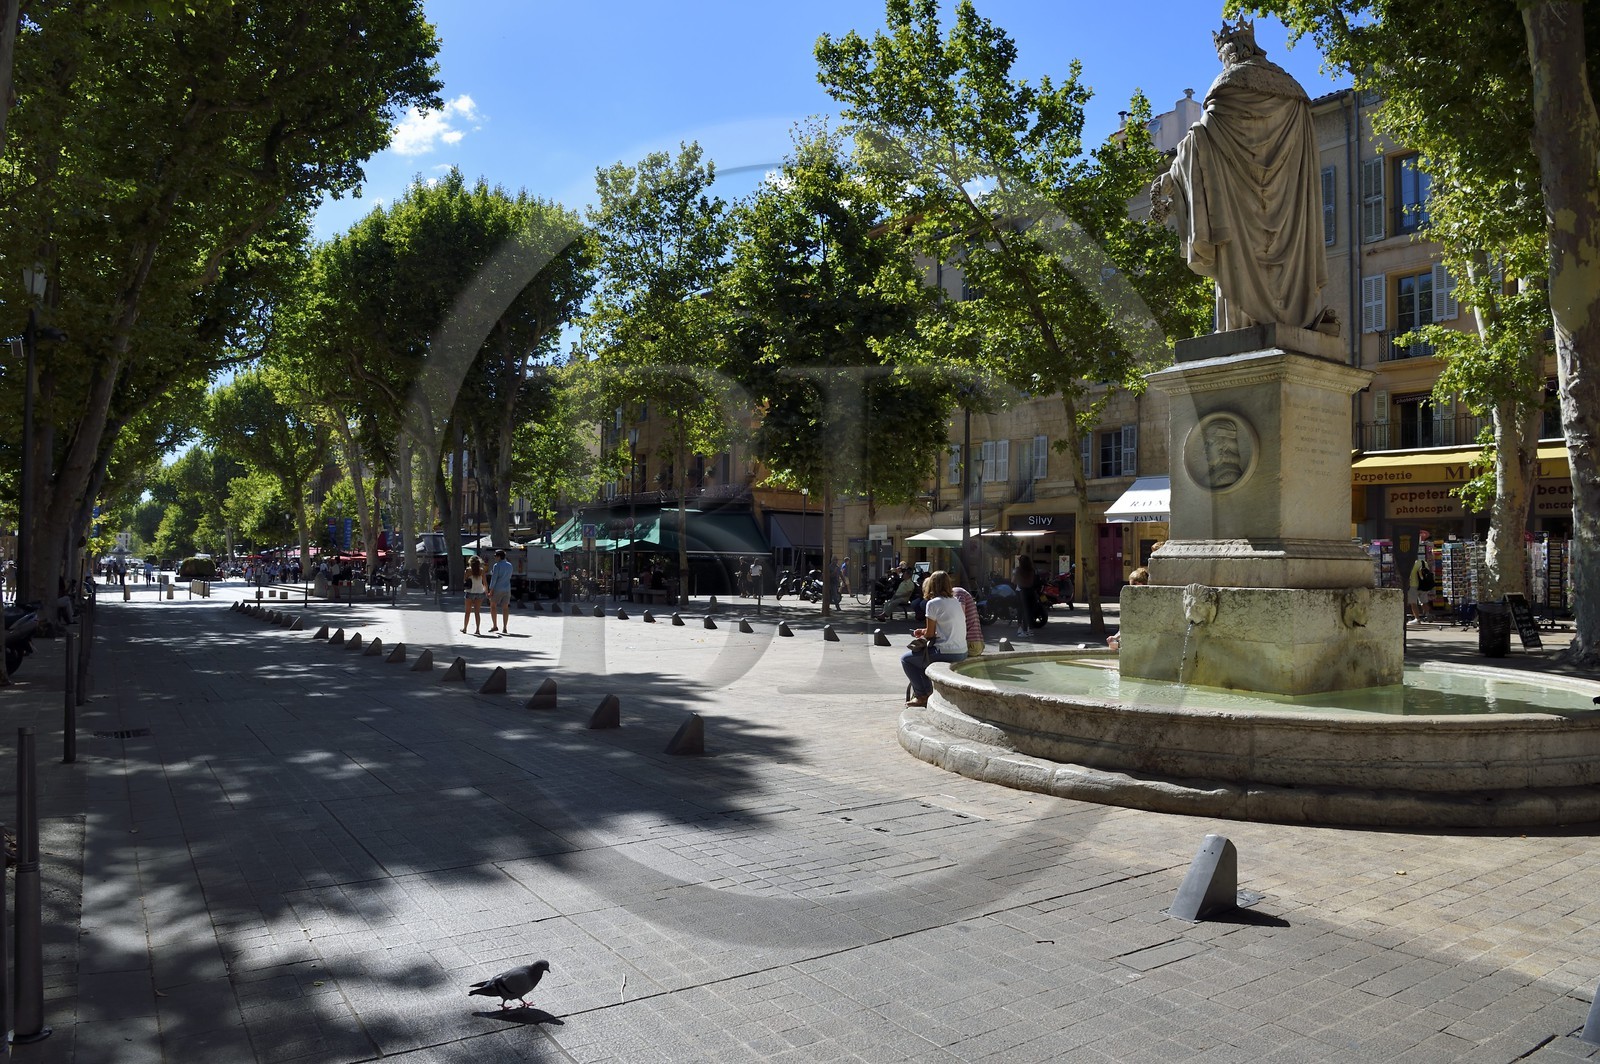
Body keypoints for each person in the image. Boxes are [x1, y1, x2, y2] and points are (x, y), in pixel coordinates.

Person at [1148, 18, 1333, 333]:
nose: (1223, 63)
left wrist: (1170, 176)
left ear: (1230, 53)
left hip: (1239, 212)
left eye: (1222, 57)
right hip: (1289, 216)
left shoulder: (1229, 86)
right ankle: (1293, 318)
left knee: (1237, 293)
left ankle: (1243, 324)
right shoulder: (1294, 96)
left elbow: (1201, 140)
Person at [901, 570, 969, 708]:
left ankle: (922, 695)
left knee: (907, 660)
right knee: (920, 660)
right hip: (962, 651)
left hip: (946, 651)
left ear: (931, 585)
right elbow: (946, 627)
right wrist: (925, 631)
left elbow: (930, 635)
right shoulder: (955, 601)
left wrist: (923, 634)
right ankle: (928, 693)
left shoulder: (933, 604)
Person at [1106, 567, 1150, 651]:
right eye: (1131, 585)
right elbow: (1126, 624)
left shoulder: (1148, 602)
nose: (1132, 589)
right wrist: (1115, 637)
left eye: (1134, 584)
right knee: (1112, 645)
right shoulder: (1132, 601)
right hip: (1133, 639)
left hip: (1143, 640)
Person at [953, 583, 985, 658]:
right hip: (976, 642)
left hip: (971, 643)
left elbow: (960, 617)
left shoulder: (957, 593)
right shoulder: (959, 592)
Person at [488, 549, 514, 634]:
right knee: (505, 608)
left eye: (495, 556)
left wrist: (491, 590)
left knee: (493, 606)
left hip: (497, 588)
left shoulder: (497, 565)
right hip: (507, 588)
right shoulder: (510, 565)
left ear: (499, 557)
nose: (495, 557)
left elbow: (494, 578)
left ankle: (495, 625)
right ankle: (505, 627)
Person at [462, 556, 488, 635]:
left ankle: (465, 628)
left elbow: (464, 581)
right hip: (479, 592)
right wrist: (487, 592)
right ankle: (477, 630)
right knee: (477, 612)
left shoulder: (468, 570)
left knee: (467, 612)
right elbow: (485, 583)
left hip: (470, 592)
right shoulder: (481, 570)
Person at [1012, 553, 1037, 638]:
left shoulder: (1018, 570)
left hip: (1021, 591)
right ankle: (1028, 629)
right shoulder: (1031, 570)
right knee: (1029, 611)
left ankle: (1020, 629)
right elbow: (1032, 581)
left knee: (1021, 610)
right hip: (1030, 591)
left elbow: (1013, 581)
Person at [1408, 548, 1433, 624]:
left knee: (1413, 603)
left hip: (1413, 585)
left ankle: (1417, 619)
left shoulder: (1410, 564)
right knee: (1424, 602)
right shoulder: (1423, 562)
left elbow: (1409, 575)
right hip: (1423, 585)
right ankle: (1428, 615)